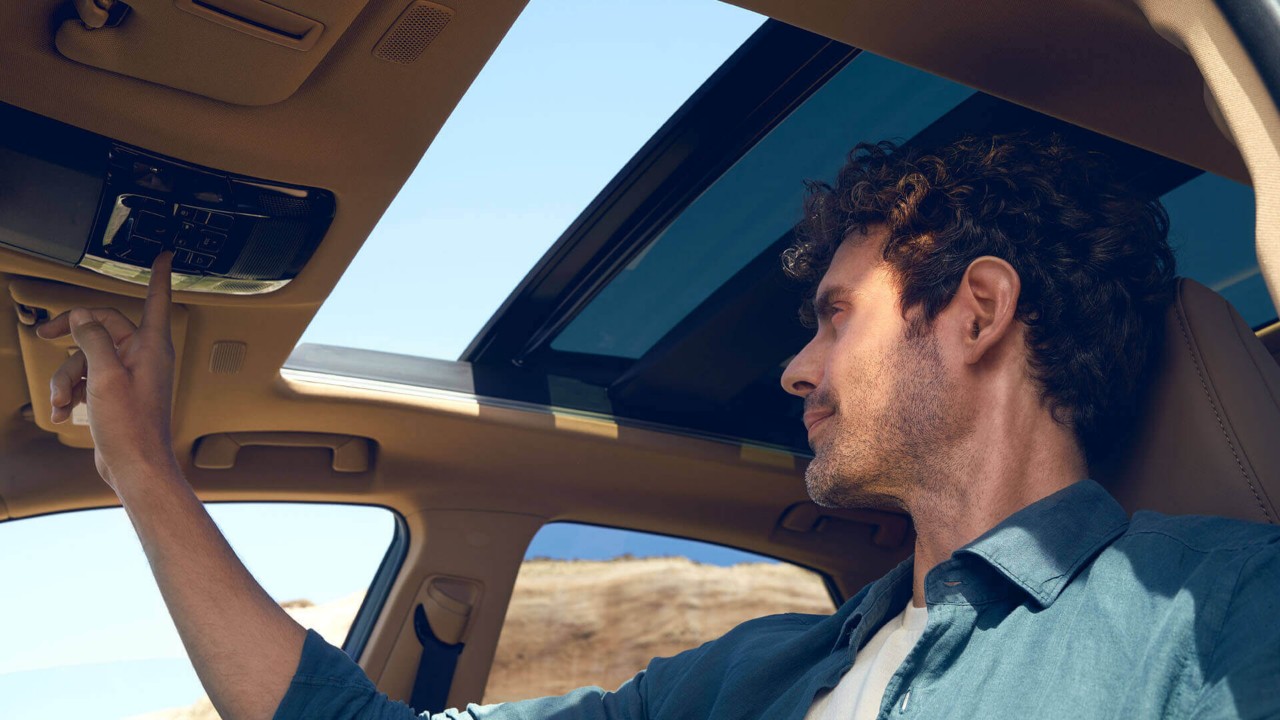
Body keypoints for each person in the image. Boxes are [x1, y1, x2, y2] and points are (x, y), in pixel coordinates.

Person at [37, 134, 1279, 720]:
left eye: (833, 315)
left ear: (979, 311)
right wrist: (141, 466)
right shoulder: (757, 673)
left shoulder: (1210, 613)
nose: (793, 368)